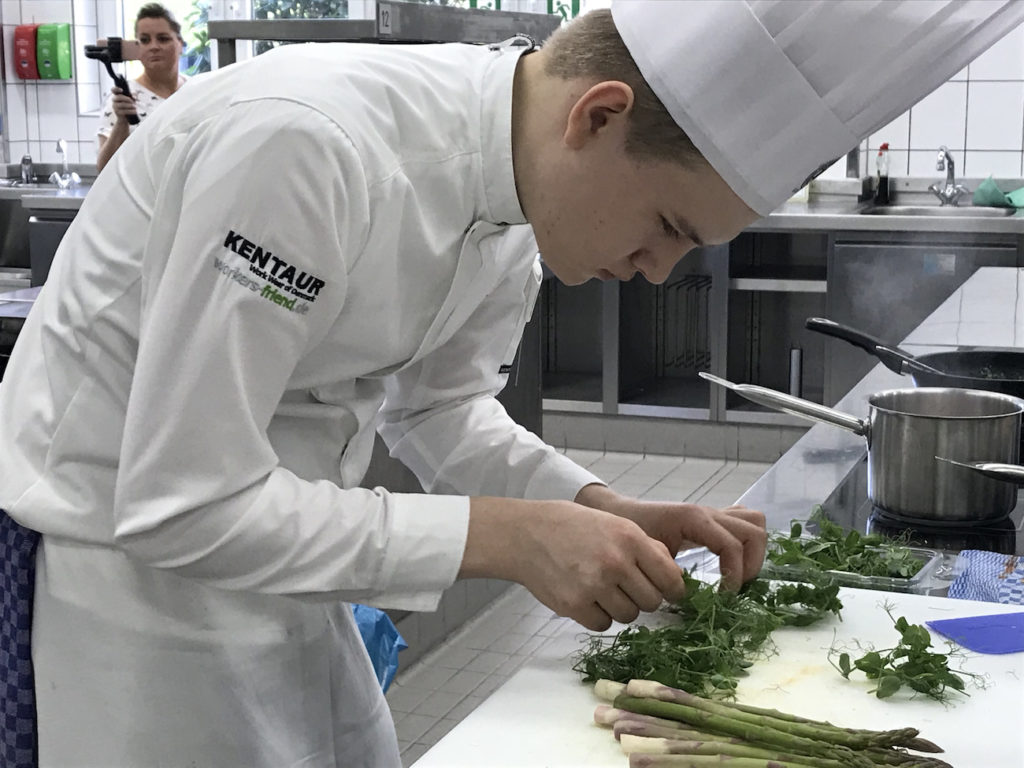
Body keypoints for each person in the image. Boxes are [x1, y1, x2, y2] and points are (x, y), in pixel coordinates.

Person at [0, 1, 1021, 766]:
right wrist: (507, 538)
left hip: (290, 567)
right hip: (130, 598)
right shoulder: (302, 145)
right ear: (598, 116)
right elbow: (181, 502)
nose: (656, 272)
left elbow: (440, 410)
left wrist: (597, 506)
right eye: (667, 226)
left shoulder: (511, 196)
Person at [95, 2, 187, 172]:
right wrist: (122, 122)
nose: (154, 46)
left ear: (180, 44)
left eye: (163, 38)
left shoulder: (196, 89)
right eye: (144, 40)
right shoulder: (122, 99)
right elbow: (104, 169)